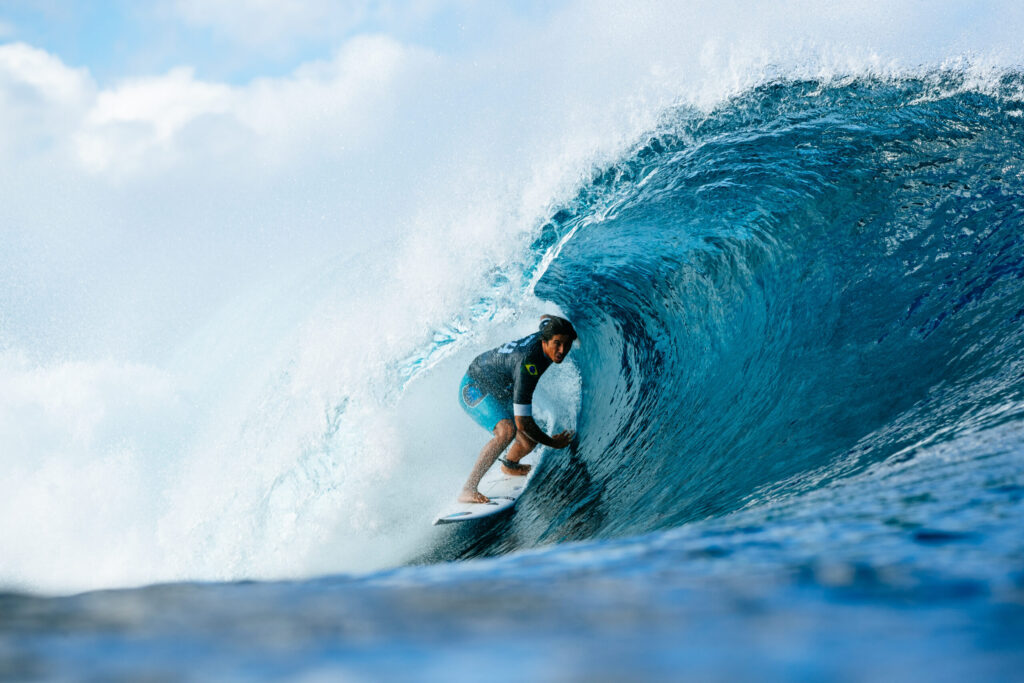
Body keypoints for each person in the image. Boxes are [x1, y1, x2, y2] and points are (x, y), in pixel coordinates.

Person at [456, 314, 577, 503]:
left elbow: (545, 323)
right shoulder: (529, 364)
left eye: (566, 344)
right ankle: (468, 489)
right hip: (474, 386)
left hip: (500, 388)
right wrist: (553, 443)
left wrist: (548, 318)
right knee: (508, 431)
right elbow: (522, 423)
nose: (562, 350)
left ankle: (510, 465)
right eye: (557, 344)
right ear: (544, 340)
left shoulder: (547, 331)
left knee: (529, 441)